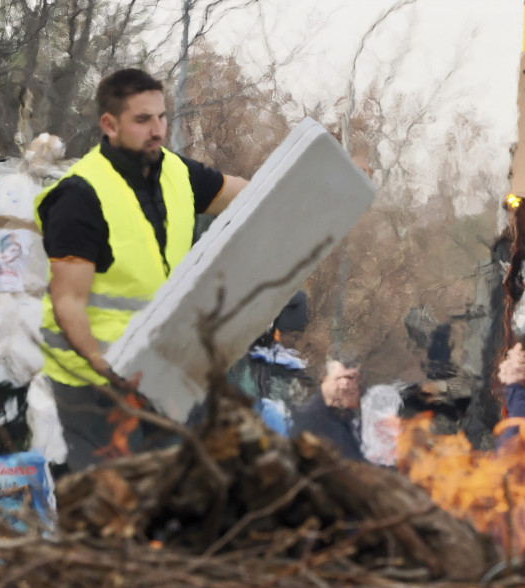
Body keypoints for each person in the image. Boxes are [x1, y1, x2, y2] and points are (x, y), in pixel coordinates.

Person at [33, 68, 249, 472]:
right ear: (110, 125)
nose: (158, 130)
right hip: (90, 381)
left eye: (162, 117)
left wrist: (308, 189)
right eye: (143, 120)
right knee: (116, 505)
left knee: (182, 487)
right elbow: (68, 302)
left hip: (157, 367)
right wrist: (105, 367)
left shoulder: (178, 174)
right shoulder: (80, 196)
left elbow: (250, 196)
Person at [291, 358, 364, 461]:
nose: (344, 386)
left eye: (351, 378)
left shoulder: (344, 414)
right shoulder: (309, 418)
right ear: (324, 379)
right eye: (338, 378)